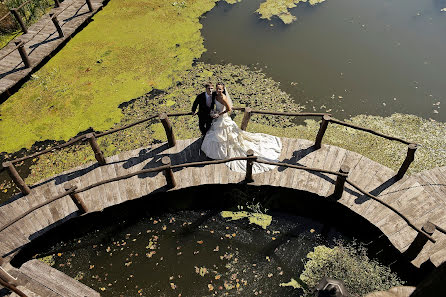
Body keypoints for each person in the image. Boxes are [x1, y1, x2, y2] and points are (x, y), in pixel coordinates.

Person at [201, 82, 282, 173]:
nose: (218, 90)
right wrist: (214, 112)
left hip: (223, 118)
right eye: (217, 88)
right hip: (217, 117)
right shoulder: (215, 95)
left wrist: (218, 114)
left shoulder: (223, 98)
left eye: (220, 89)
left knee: (225, 135)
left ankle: (226, 151)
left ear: (223, 89)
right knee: (216, 134)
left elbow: (229, 109)